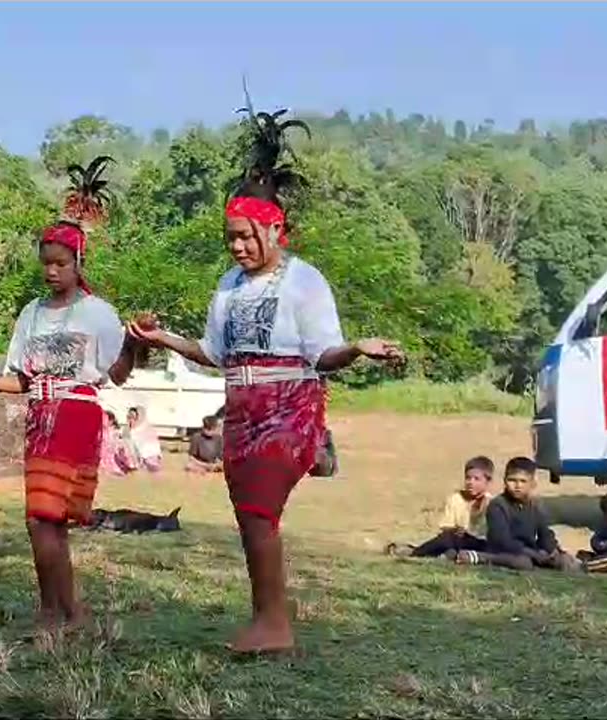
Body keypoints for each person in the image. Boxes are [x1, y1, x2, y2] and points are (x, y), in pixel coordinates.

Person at [127, 105, 403, 653]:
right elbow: (211, 352)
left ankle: (274, 624)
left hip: (289, 406)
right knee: (251, 517)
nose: (237, 246)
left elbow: (322, 353)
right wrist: (160, 341)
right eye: (230, 237)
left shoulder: (305, 281)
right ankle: (267, 617)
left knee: (258, 508)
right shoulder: (228, 286)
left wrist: (357, 348)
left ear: (278, 229)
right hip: (242, 407)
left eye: (247, 237)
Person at [0, 155, 138, 632]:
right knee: (41, 520)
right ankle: (61, 609)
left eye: (60, 264)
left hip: (75, 416)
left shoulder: (99, 313)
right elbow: (21, 381)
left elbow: (115, 374)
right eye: (46, 264)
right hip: (39, 415)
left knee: (45, 516)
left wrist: (135, 343)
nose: (51, 272)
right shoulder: (30, 313)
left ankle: (60, 611)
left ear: (78, 263)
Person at [455, 456, 580, 572]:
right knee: (522, 563)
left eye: (523, 481)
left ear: (532, 483)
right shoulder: (498, 505)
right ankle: (479, 557)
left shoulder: (535, 505)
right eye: (512, 480)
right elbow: (502, 541)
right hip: (503, 551)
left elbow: (545, 534)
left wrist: (554, 551)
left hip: (529, 550)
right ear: (505, 481)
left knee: (563, 561)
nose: (517, 486)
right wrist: (535, 555)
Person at [386, 456, 493, 559]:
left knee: (451, 541)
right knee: (449, 539)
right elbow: (446, 526)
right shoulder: (456, 498)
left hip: (479, 543)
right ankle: (436, 553)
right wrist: (456, 530)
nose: (471, 482)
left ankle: (415, 552)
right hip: (457, 540)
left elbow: (486, 533)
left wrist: (468, 532)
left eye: (476, 479)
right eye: (468, 478)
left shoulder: (491, 503)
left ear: (487, 481)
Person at [124, 407, 162, 473]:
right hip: (138, 459)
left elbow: (152, 445)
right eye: (129, 416)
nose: (130, 419)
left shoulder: (142, 430)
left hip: (148, 458)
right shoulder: (127, 430)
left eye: (132, 417)